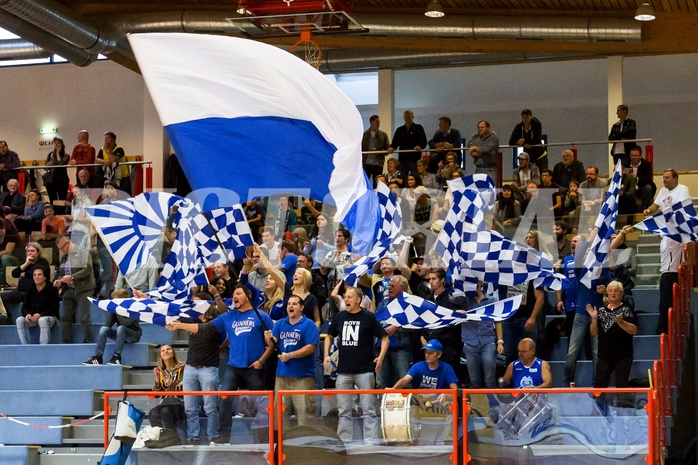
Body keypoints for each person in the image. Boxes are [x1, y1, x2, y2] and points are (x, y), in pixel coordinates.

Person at [167, 284, 274, 441]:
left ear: (248, 297)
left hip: (254, 367)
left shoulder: (261, 316)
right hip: (233, 366)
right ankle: (223, 436)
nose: (235, 297)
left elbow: (272, 344)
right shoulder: (228, 317)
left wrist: (261, 360)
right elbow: (203, 328)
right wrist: (179, 325)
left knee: (258, 402)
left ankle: (263, 436)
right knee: (224, 400)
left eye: (238, 294)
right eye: (234, 295)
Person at [324, 286, 388, 444]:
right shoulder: (340, 316)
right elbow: (329, 336)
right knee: (344, 410)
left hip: (365, 370)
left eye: (349, 297)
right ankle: (345, 442)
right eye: (345, 297)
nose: (346, 300)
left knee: (369, 410)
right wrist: (326, 355)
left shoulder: (368, 317)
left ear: (358, 300)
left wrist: (380, 357)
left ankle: (371, 443)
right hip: (343, 370)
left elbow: (384, 337)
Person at [643, 169, 690, 334]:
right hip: (667, 262)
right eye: (662, 178)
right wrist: (649, 210)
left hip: (672, 268)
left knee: (667, 302)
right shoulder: (662, 191)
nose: (664, 180)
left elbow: (681, 208)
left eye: (667, 177)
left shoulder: (682, 189)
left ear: (675, 178)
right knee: (665, 302)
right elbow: (656, 205)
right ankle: (664, 328)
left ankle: (664, 329)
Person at [264, 295, 319, 427]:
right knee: (281, 414)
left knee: (305, 414)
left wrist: (290, 355)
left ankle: (305, 445)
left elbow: (310, 348)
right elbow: (273, 344)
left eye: (294, 304)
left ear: (301, 307)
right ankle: (283, 445)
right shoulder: (281, 323)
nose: (290, 306)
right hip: (282, 376)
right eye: (289, 304)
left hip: (303, 376)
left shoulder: (309, 324)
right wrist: (268, 338)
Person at [179, 304, 224, 445]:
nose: (194, 305)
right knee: (189, 407)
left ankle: (213, 436)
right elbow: (170, 312)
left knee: (210, 406)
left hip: (209, 368)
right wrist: (147, 299)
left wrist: (222, 347)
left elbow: (226, 314)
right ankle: (193, 437)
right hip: (190, 367)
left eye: (198, 302)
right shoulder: (190, 319)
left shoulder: (216, 321)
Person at [587, 281, 637, 388]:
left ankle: (622, 405)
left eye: (616, 291)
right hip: (604, 356)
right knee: (599, 386)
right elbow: (594, 332)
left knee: (621, 386)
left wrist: (621, 323)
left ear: (621, 293)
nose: (613, 293)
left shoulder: (627, 310)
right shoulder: (600, 311)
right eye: (610, 291)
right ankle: (598, 405)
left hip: (623, 356)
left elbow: (633, 330)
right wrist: (594, 319)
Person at [458, 282, 504, 388]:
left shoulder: (492, 301)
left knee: (489, 379)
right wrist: (457, 283)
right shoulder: (463, 300)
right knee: (474, 381)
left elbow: (498, 321)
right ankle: (477, 405)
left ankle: (492, 404)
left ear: (481, 283)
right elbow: (451, 298)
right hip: (470, 343)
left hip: (488, 342)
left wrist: (500, 341)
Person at [83, 289, 142, 365]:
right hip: (121, 334)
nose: (113, 302)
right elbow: (107, 325)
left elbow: (125, 324)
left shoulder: (133, 309)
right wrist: (114, 311)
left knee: (121, 328)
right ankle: (98, 357)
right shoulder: (116, 310)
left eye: (115, 300)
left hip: (134, 335)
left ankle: (117, 357)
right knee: (103, 329)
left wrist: (118, 310)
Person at [54, 234, 95, 344]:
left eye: (62, 248)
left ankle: (89, 342)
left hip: (84, 289)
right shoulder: (64, 257)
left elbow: (88, 269)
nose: (61, 250)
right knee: (65, 317)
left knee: (84, 318)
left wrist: (72, 277)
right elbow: (61, 273)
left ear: (68, 243)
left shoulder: (82, 252)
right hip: (69, 289)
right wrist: (59, 281)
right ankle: (66, 342)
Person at [148, 344, 186, 446]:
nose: (166, 351)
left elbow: (178, 388)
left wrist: (164, 377)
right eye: (163, 350)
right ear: (160, 355)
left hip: (181, 404)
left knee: (166, 411)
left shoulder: (183, 369)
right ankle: (159, 437)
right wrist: (157, 377)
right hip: (165, 403)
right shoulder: (161, 371)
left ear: (173, 352)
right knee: (153, 413)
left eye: (168, 349)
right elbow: (156, 395)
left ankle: (172, 438)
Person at [16, 267, 59, 345]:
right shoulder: (30, 289)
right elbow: (25, 306)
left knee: (42, 320)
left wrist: (40, 315)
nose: (36, 277)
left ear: (45, 277)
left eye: (39, 275)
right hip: (33, 317)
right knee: (19, 320)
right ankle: (25, 346)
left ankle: (43, 346)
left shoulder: (52, 289)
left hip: (50, 316)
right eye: (34, 275)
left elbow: (54, 307)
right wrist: (27, 314)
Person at [392, 339, 458, 390]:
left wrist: (447, 395)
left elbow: (454, 388)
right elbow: (404, 380)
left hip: (439, 401)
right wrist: (393, 389)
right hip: (421, 400)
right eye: (426, 352)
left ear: (439, 354)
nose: (427, 355)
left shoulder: (446, 368)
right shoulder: (418, 366)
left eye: (431, 353)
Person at [387, 110, 427, 177]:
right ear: (403, 118)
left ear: (413, 117)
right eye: (406, 117)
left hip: (414, 158)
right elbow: (395, 143)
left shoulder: (419, 128)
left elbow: (424, 142)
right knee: (403, 176)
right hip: (403, 159)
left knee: (415, 176)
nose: (407, 118)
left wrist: (420, 147)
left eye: (409, 117)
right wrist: (391, 148)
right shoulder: (399, 130)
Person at [467, 120, 500, 186]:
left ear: (488, 128)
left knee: (491, 190)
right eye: (479, 127)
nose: (480, 129)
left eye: (482, 127)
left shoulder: (493, 136)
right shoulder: (475, 136)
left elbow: (489, 148)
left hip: (491, 169)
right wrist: (483, 151)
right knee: (477, 190)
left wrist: (477, 149)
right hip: (478, 168)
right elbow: (469, 146)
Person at [361, 114, 391, 184]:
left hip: (378, 163)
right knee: (365, 182)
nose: (378, 124)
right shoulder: (364, 135)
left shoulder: (383, 135)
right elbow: (360, 148)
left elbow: (387, 149)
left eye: (379, 123)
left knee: (377, 183)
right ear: (371, 122)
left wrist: (379, 152)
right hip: (366, 162)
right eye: (377, 122)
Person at [44, 136, 70, 210]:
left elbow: (60, 163)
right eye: (55, 143)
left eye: (58, 143)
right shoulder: (50, 155)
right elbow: (45, 166)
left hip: (61, 179)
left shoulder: (66, 155)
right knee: (52, 198)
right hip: (51, 179)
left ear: (62, 144)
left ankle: (61, 212)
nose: (56, 145)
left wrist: (58, 153)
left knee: (61, 197)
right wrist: (48, 166)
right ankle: (54, 212)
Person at [628, 145, 656, 211]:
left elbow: (648, 179)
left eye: (635, 156)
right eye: (631, 155)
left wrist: (637, 178)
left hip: (641, 188)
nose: (633, 157)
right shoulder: (626, 164)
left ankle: (644, 211)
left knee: (648, 188)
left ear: (640, 156)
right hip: (630, 189)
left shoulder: (646, 164)